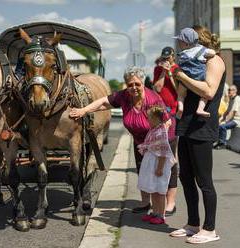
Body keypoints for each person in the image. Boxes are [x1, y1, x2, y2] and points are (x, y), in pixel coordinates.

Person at [69, 66, 174, 213]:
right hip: (141, 142)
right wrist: (83, 110)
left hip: (161, 140)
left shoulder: (152, 99)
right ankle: (145, 203)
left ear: (143, 83)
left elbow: (166, 123)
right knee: (143, 171)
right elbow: (103, 102)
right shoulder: (124, 96)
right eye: (130, 84)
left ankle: (168, 206)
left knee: (162, 172)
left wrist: (159, 149)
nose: (134, 87)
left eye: (137, 84)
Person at [169, 26, 224, 244]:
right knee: (186, 177)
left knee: (204, 180)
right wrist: (176, 76)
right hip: (187, 124)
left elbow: (208, 91)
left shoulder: (215, 61)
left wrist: (181, 74)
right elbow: (184, 89)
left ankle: (210, 229)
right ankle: (193, 224)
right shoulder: (193, 61)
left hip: (202, 125)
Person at [137, 106, 176, 224]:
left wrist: (159, 168)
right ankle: (155, 212)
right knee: (153, 189)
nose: (147, 120)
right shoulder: (153, 130)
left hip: (158, 164)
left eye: (149, 118)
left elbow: (163, 152)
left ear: (156, 119)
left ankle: (161, 215)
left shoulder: (160, 132)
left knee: (160, 191)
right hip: (152, 163)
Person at [153, 46, 179, 216]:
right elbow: (157, 89)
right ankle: (159, 199)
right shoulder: (157, 69)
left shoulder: (178, 69)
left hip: (173, 113)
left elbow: (179, 91)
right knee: (158, 157)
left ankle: (171, 201)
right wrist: (163, 72)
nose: (166, 61)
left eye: (168, 58)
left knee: (170, 156)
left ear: (173, 57)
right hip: (159, 113)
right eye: (163, 58)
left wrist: (170, 73)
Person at [173, 28, 216, 119]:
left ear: (186, 43)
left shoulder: (183, 53)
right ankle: (200, 108)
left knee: (180, 95)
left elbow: (180, 65)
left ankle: (180, 107)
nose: (178, 44)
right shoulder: (200, 50)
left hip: (185, 77)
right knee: (204, 96)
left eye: (180, 42)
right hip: (199, 77)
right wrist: (207, 56)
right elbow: (213, 53)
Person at [214, 85, 240, 149]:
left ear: (235, 91)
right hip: (233, 119)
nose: (228, 91)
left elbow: (232, 112)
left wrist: (225, 121)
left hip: (238, 120)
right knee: (218, 124)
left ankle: (223, 144)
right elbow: (227, 111)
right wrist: (220, 120)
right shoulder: (231, 99)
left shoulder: (237, 99)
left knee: (222, 126)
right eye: (228, 90)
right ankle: (219, 142)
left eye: (230, 90)